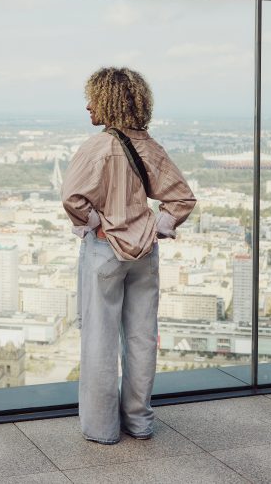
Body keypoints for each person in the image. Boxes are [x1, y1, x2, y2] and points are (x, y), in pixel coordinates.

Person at [62, 66, 196, 444]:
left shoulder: (97, 147)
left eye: (93, 98)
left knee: (100, 341)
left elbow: (71, 198)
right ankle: (139, 422)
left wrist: (96, 222)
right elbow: (181, 198)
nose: (88, 106)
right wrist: (157, 226)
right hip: (145, 252)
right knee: (141, 338)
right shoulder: (149, 146)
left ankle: (103, 429)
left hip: (105, 252)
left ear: (109, 101)